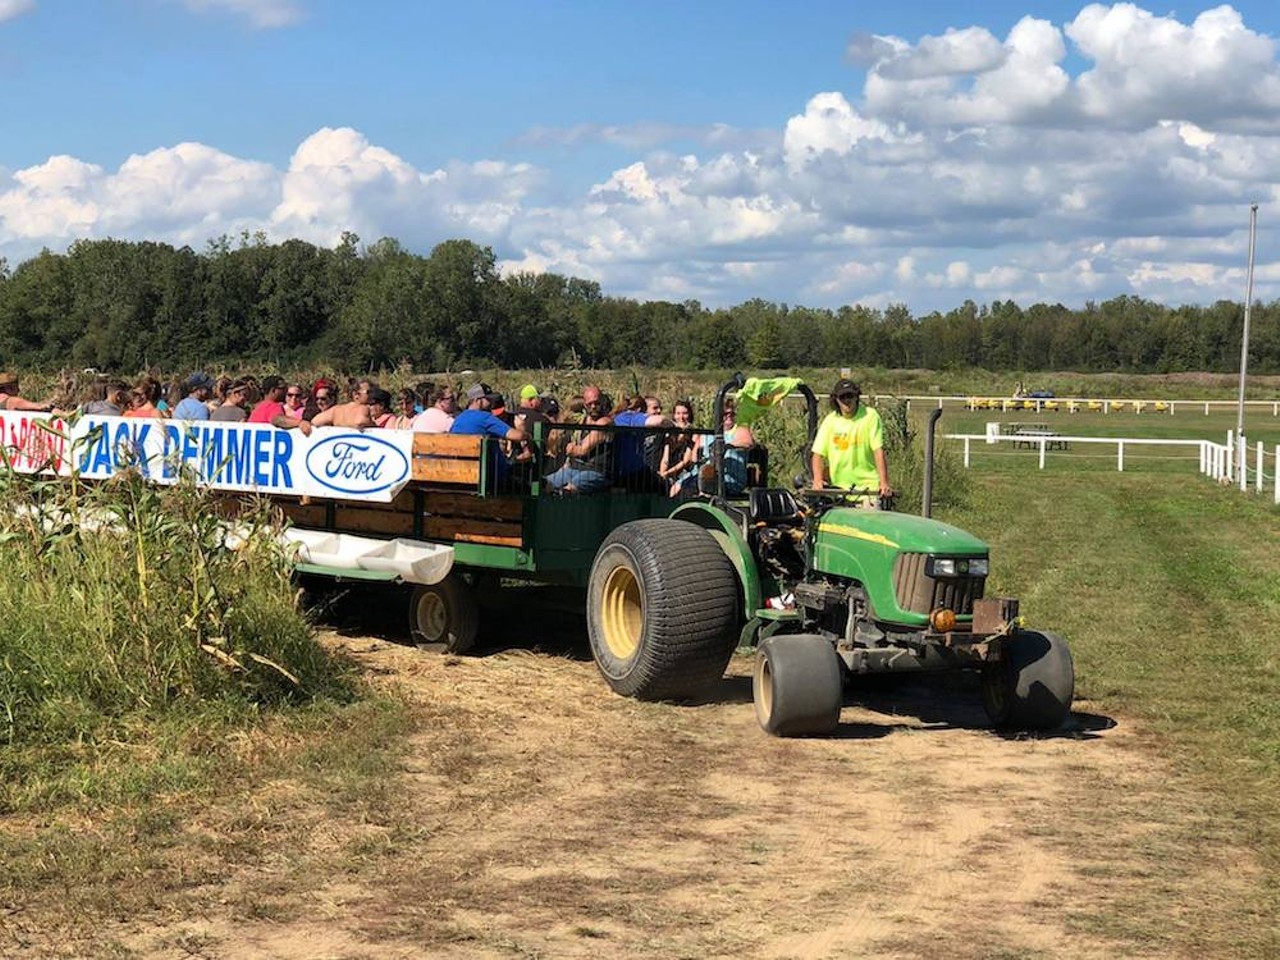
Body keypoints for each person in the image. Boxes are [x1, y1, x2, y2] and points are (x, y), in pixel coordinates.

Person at [810, 378, 892, 506]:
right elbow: (817, 454)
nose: (847, 401)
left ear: (857, 397)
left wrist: (884, 482)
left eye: (850, 396)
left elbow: (878, 451)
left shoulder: (870, 416)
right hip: (839, 491)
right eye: (843, 397)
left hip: (868, 490)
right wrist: (818, 480)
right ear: (836, 399)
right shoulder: (830, 421)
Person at [450, 383, 527, 489]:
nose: (491, 403)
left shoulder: (459, 419)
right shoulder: (485, 418)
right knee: (528, 484)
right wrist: (527, 435)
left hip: (461, 475)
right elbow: (517, 436)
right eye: (488, 400)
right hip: (490, 478)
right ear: (478, 400)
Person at [543, 384, 613, 494]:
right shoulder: (582, 421)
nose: (593, 406)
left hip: (596, 470)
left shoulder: (605, 422)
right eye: (590, 404)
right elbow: (572, 449)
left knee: (569, 489)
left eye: (597, 403)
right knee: (545, 483)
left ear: (602, 402)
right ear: (585, 405)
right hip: (574, 468)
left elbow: (581, 450)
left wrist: (575, 449)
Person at [661, 399, 703, 496]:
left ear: (690, 415)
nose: (681, 417)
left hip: (683, 471)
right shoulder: (670, 433)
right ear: (674, 416)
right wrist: (663, 472)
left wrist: (667, 473)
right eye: (678, 413)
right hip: (668, 469)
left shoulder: (694, 434)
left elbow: (686, 461)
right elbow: (665, 457)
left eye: (685, 413)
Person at [249, 376, 313, 433]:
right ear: (273, 390)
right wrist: (300, 422)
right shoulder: (273, 406)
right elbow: (277, 420)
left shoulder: (258, 407)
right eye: (283, 388)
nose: (286, 391)